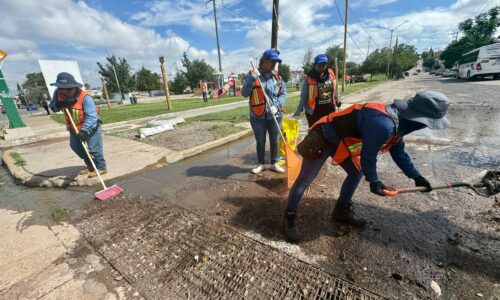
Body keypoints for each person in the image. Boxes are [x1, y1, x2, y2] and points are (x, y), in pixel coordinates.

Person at [284, 91, 450, 242]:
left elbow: (399, 152)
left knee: (356, 172)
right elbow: (368, 155)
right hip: (324, 135)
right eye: (427, 123)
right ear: (419, 119)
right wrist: (374, 181)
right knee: (305, 179)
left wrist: (416, 177)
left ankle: (341, 210)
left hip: (341, 140)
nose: (425, 126)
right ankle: (289, 218)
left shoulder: (399, 122)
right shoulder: (383, 124)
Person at [49, 72, 107, 178]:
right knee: (76, 146)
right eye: (62, 89)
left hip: (90, 127)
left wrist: (84, 131)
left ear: (74, 87)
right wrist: (58, 105)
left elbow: (92, 117)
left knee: (94, 148)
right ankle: (90, 164)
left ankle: (101, 167)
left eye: (69, 89)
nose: (66, 92)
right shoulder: (58, 93)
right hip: (74, 126)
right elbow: (53, 106)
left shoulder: (85, 98)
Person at [242, 48, 287, 174]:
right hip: (257, 116)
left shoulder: (277, 77)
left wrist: (277, 106)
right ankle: (260, 164)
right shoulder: (252, 74)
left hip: (274, 115)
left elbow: (283, 93)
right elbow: (245, 93)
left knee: (274, 140)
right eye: (272, 61)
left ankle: (274, 163)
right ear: (264, 61)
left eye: (275, 62)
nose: (274, 64)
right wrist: (252, 79)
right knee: (260, 141)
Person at [294, 54, 340, 127]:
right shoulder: (310, 77)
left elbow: (335, 89)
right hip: (314, 111)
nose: (321, 67)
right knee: (314, 130)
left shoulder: (330, 74)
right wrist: (299, 110)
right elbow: (303, 96)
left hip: (329, 108)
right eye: (319, 65)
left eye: (323, 65)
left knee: (330, 129)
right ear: (315, 65)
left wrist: (337, 99)